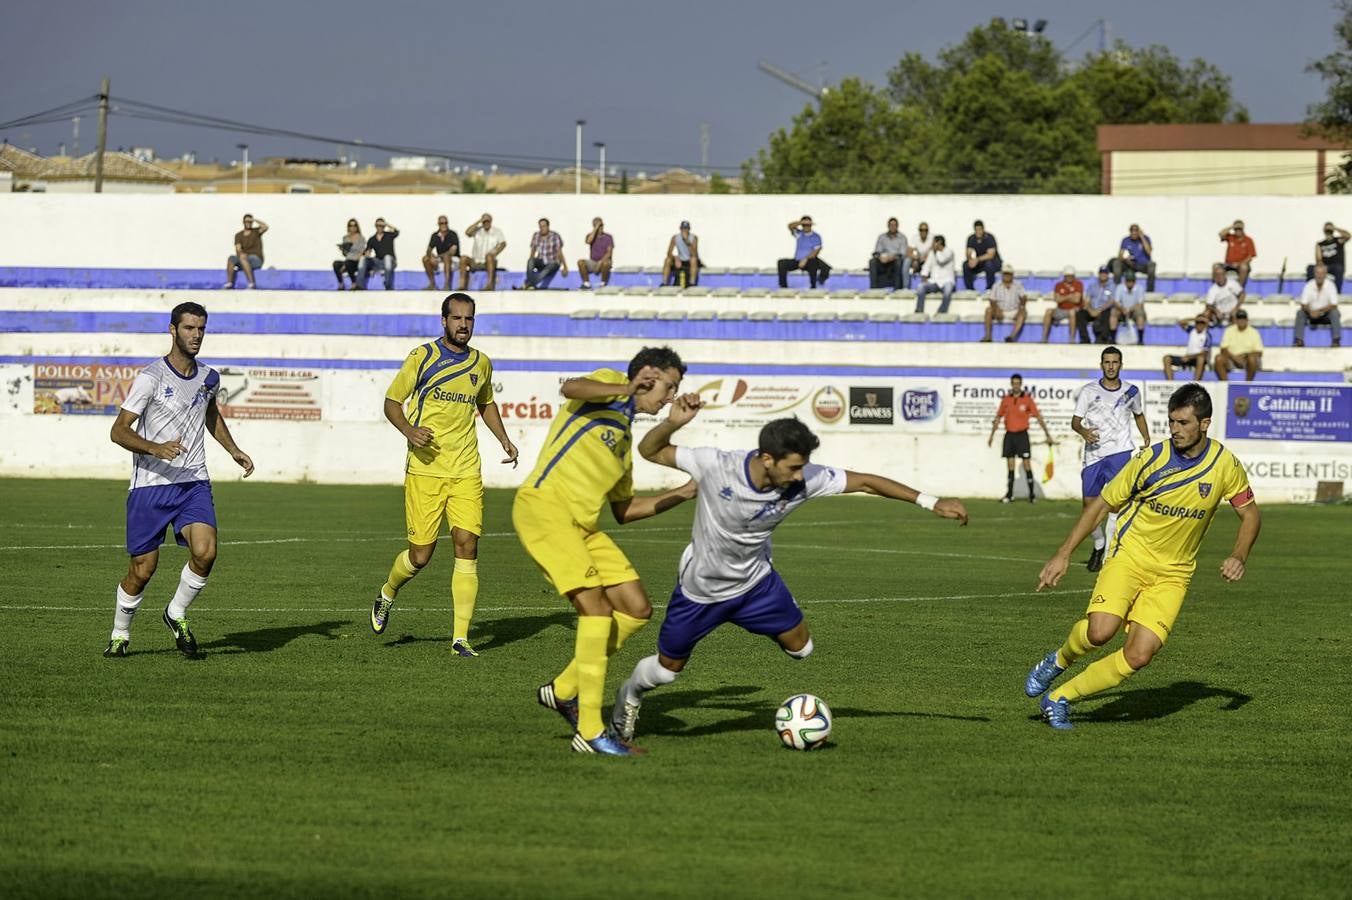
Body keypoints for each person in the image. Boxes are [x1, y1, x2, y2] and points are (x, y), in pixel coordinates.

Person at [610, 415, 969, 742]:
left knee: (802, 650)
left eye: (803, 467)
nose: (800, 476)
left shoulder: (805, 478)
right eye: (794, 467)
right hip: (702, 590)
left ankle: (766, 614)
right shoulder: (717, 464)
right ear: (767, 458)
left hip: (757, 585)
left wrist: (930, 501)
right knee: (667, 672)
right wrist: (672, 422)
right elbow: (650, 450)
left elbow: (865, 482)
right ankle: (630, 695)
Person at [1024, 382, 1260, 731]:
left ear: (1205, 424)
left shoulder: (1225, 465)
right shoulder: (1150, 460)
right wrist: (1062, 555)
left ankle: (1059, 699)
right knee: (1101, 632)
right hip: (1130, 557)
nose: (1175, 430)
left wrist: (1239, 555)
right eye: (1171, 422)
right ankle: (1058, 660)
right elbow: (1102, 504)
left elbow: (1251, 514)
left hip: (1173, 575)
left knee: (1139, 655)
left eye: (1183, 423)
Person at [515, 347, 699, 756]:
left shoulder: (625, 439)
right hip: (544, 510)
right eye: (668, 387)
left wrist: (683, 493)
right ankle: (592, 731)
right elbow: (570, 387)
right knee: (596, 610)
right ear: (647, 376)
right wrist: (626, 386)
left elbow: (625, 511)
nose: (669, 397)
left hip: (584, 527)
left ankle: (563, 690)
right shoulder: (605, 387)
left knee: (635, 609)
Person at [104, 301, 255, 658]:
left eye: (201, 329)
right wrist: (155, 448)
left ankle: (176, 612)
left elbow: (211, 414)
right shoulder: (151, 378)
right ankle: (120, 633)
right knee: (143, 569)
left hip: (193, 482)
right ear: (173, 330)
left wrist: (233, 449)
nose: (196, 335)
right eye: (189, 328)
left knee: (206, 551)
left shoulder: (208, 378)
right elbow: (118, 431)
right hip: (150, 486)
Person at [372, 293, 519, 656]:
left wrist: (504, 440)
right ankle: (388, 592)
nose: (463, 325)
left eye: (469, 319)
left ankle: (460, 639)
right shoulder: (422, 358)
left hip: (466, 469)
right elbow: (392, 402)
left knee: (467, 544)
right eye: (457, 319)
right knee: (420, 556)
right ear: (444, 321)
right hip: (425, 470)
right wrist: (409, 430)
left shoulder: (482, 363)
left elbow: (485, 403)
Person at [1070, 347, 1149, 573]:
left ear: (1120, 365)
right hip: (1093, 455)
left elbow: (1139, 414)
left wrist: (1145, 435)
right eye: (1107, 362)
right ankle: (1099, 543)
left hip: (1120, 454)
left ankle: (1107, 558)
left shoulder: (1131, 392)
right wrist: (1084, 432)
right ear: (1101, 364)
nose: (1111, 366)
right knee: (1089, 508)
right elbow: (1075, 422)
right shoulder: (1089, 391)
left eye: (1115, 362)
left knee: (1115, 506)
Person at [988, 373, 1055, 503]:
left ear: (1021, 384)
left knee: (1026, 464)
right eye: (1014, 383)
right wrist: (991, 435)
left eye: (1018, 383)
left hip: (1022, 435)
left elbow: (1038, 417)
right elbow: (998, 418)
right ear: (1011, 384)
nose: (1016, 386)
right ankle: (1009, 495)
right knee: (1010, 465)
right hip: (1009, 435)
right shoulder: (1006, 399)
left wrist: (1047, 434)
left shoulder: (1027, 400)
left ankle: (1032, 495)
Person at [1296, 263, 1342, 347]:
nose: (1319, 276)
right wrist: (1311, 311)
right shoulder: (1309, 285)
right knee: (1300, 313)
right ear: (1314, 274)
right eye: (1317, 273)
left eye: (1322, 273)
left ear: (1325, 274)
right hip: (1310, 313)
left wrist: (1319, 311)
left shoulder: (1331, 285)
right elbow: (1303, 304)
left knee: (1335, 313)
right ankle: (1299, 340)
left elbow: (1334, 304)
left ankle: (1336, 340)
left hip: (1325, 314)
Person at [777, 215, 830, 289]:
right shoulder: (799, 234)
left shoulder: (816, 236)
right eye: (804, 225)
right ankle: (783, 287)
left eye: (808, 225)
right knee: (781, 263)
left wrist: (805, 259)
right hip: (797, 261)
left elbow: (816, 251)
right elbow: (790, 226)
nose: (806, 227)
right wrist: (801, 222)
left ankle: (813, 286)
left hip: (809, 261)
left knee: (814, 262)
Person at [458, 213, 507, 291]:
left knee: (489, 257)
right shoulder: (478, 230)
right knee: (463, 258)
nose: (486, 223)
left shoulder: (497, 231)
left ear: (491, 221)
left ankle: (489, 285)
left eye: (487, 221)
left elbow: (503, 243)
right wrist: (479, 221)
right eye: (484, 221)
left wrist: (495, 252)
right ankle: (462, 286)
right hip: (475, 261)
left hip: (488, 261)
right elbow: (467, 233)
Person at [1041, 266, 1089, 344]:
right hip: (1061, 309)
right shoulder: (1058, 285)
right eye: (1067, 276)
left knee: (1072, 312)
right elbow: (1057, 300)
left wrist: (1063, 297)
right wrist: (1070, 296)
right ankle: (1044, 337)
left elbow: (1077, 300)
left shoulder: (1078, 284)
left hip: (1073, 309)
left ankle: (1072, 339)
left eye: (1071, 276)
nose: (1069, 277)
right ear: (1064, 276)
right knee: (1048, 311)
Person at [980, 262, 1027, 343]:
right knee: (988, 310)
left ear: (1012, 275)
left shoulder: (1018, 285)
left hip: (1014, 310)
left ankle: (1012, 336)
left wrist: (1020, 308)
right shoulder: (996, 285)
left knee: (1023, 313)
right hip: (1000, 310)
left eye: (1008, 274)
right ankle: (988, 336)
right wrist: (996, 310)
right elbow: (992, 300)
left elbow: (1023, 298)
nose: (1007, 276)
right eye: (1005, 274)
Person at [1214, 310, 1263, 381]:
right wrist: (1234, 357)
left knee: (1252, 359)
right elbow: (1223, 349)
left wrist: (1245, 355)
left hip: (1247, 360)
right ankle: (1225, 385)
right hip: (1231, 359)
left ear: (1247, 320)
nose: (1241, 320)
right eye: (1239, 318)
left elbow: (1259, 352)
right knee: (1218, 358)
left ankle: (1247, 384)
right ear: (1236, 320)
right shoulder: (1229, 330)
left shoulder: (1254, 332)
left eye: (1243, 318)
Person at [224, 213, 267, 289]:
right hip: (243, 259)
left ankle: (251, 284)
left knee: (243, 258)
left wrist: (254, 219)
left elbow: (265, 227)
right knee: (231, 258)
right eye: (246, 221)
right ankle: (229, 283)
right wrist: (241, 254)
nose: (248, 223)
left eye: (250, 221)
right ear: (243, 222)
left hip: (256, 259)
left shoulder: (256, 231)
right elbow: (238, 248)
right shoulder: (238, 235)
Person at [914, 235, 956, 314]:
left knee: (947, 292)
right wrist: (924, 276)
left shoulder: (949, 252)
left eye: (933, 243)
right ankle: (919, 310)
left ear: (939, 243)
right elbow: (927, 266)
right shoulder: (932, 253)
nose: (931, 245)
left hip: (947, 281)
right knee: (920, 287)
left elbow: (941, 260)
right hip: (934, 282)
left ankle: (941, 312)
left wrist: (935, 251)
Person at [521, 218, 566, 290]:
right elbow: (533, 250)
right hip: (541, 261)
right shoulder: (536, 235)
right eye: (540, 226)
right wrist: (531, 262)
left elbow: (559, 252)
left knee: (546, 270)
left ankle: (528, 284)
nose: (542, 228)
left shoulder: (555, 236)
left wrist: (565, 266)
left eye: (544, 226)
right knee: (530, 260)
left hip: (553, 262)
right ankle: (530, 284)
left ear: (548, 226)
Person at [1163, 316, 1212, 381]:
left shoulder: (1207, 335)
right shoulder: (1192, 330)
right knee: (1167, 358)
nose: (1199, 324)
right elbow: (1180, 322)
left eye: (1202, 322)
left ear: (1205, 324)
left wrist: (1189, 357)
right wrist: (1194, 318)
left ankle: (1195, 383)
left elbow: (1204, 353)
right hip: (1187, 357)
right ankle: (1171, 382)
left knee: (1201, 359)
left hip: (1195, 358)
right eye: (1197, 322)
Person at [356, 218, 400, 291]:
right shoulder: (372, 239)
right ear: (375, 226)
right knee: (363, 259)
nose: (380, 227)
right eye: (378, 225)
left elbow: (397, 231)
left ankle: (388, 285)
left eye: (381, 225)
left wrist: (386, 224)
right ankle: (359, 285)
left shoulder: (389, 235)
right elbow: (368, 251)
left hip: (390, 261)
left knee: (387, 257)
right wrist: (365, 255)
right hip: (379, 261)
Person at [1111, 223, 1156, 292]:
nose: (1134, 232)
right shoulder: (1126, 240)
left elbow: (1149, 251)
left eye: (1136, 230)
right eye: (1132, 230)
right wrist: (1125, 259)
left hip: (1142, 265)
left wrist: (1142, 237)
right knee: (1116, 263)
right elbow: (1120, 255)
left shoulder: (1146, 239)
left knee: (1152, 265)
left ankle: (1150, 291)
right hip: (1129, 264)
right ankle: (1117, 289)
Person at [868, 217, 909, 290]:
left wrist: (891, 258)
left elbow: (902, 254)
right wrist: (880, 257)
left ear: (897, 226)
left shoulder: (902, 238)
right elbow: (877, 251)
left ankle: (897, 289)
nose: (892, 227)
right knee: (872, 262)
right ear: (888, 226)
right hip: (883, 261)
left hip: (894, 261)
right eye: (891, 225)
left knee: (898, 262)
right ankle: (873, 289)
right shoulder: (882, 237)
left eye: (894, 225)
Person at [421, 216, 460, 291]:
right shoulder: (435, 235)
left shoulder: (453, 234)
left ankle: (447, 285)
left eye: (445, 223)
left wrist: (438, 256)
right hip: (441, 258)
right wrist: (431, 256)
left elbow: (452, 251)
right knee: (425, 258)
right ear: (438, 224)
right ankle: (432, 284)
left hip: (453, 259)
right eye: (442, 223)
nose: (444, 225)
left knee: (446, 257)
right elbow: (429, 249)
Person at [1110, 269, 1148, 345]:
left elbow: (1140, 303)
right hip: (1122, 310)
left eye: (1132, 281)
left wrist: (1129, 310)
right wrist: (1123, 309)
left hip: (1134, 310)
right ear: (1125, 281)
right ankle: (1112, 339)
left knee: (1140, 314)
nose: (1130, 283)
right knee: (1113, 313)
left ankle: (1140, 340)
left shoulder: (1140, 288)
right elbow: (1116, 302)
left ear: (1134, 281)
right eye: (1128, 281)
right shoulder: (1120, 287)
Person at [1082, 265, 1117, 343]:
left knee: (1108, 313)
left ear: (1108, 274)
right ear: (1099, 274)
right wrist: (1091, 310)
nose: (1103, 275)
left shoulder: (1112, 286)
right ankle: (1085, 339)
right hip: (1092, 310)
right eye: (1101, 273)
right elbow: (1087, 300)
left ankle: (1103, 338)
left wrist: (1099, 310)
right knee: (1080, 314)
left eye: (1105, 273)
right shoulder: (1092, 286)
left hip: (1103, 309)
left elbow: (1112, 301)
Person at [963, 220, 1001, 290]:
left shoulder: (989, 238)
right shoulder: (971, 238)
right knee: (966, 265)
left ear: (983, 229)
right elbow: (968, 251)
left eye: (980, 229)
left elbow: (990, 255)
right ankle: (970, 289)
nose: (978, 232)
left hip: (993, 262)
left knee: (988, 264)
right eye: (976, 230)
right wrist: (970, 259)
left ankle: (990, 288)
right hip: (980, 262)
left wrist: (977, 259)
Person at [578, 217, 614, 289]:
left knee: (606, 263)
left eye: (601, 225)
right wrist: (595, 228)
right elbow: (588, 241)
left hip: (604, 261)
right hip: (593, 261)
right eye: (597, 226)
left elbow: (609, 253)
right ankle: (586, 284)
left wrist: (600, 263)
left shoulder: (608, 237)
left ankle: (603, 284)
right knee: (580, 262)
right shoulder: (590, 235)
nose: (600, 227)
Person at [1219, 219, 1257, 286]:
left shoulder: (1248, 240)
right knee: (1216, 266)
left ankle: (1238, 289)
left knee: (1244, 268)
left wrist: (1239, 264)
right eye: (1236, 229)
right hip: (1228, 264)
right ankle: (1219, 289)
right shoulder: (1230, 237)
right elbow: (1221, 234)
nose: (1238, 231)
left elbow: (1250, 256)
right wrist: (1231, 227)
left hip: (1240, 264)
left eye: (1240, 229)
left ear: (1243, 229)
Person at [661, 221, 699, 287]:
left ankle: (692, 282)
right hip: (680, 259)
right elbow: (669, 252)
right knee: (667, 260)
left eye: (686, 228)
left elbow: (694, 254)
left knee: (694, 260)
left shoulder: (693, 238)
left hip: (689, 259)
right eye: (683, 228)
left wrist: (686, 241)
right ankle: (664, 282)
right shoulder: (675, 238)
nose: (685, 230)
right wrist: (675, 258)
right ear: (680, 229)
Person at [1314, 222, 1349, 291]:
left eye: (1330, 231)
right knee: (1311, 268)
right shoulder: (1320, 244)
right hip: (1325, 266)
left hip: (1337, 266)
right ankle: (1315, 291)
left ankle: (1337, 292)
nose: (1328, 232)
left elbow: (1348, 236)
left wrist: (1334, 228)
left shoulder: (1338, 241)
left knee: (1339, 269)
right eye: (1327, 230)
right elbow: (1318, 258)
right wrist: (1320, 267)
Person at [333, 218, 364, 290]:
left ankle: (353, 283)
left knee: (348, 263)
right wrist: (343, 249)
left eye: (354, 225)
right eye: (350, 226)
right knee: (336, 264)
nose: (352, 227)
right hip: (348, 260)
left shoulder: (361, 238)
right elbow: (346, 254)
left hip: (356, 261)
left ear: (357, 227)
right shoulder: (345, 238)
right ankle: (341, 283)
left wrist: (346, 263)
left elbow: (361, 252)